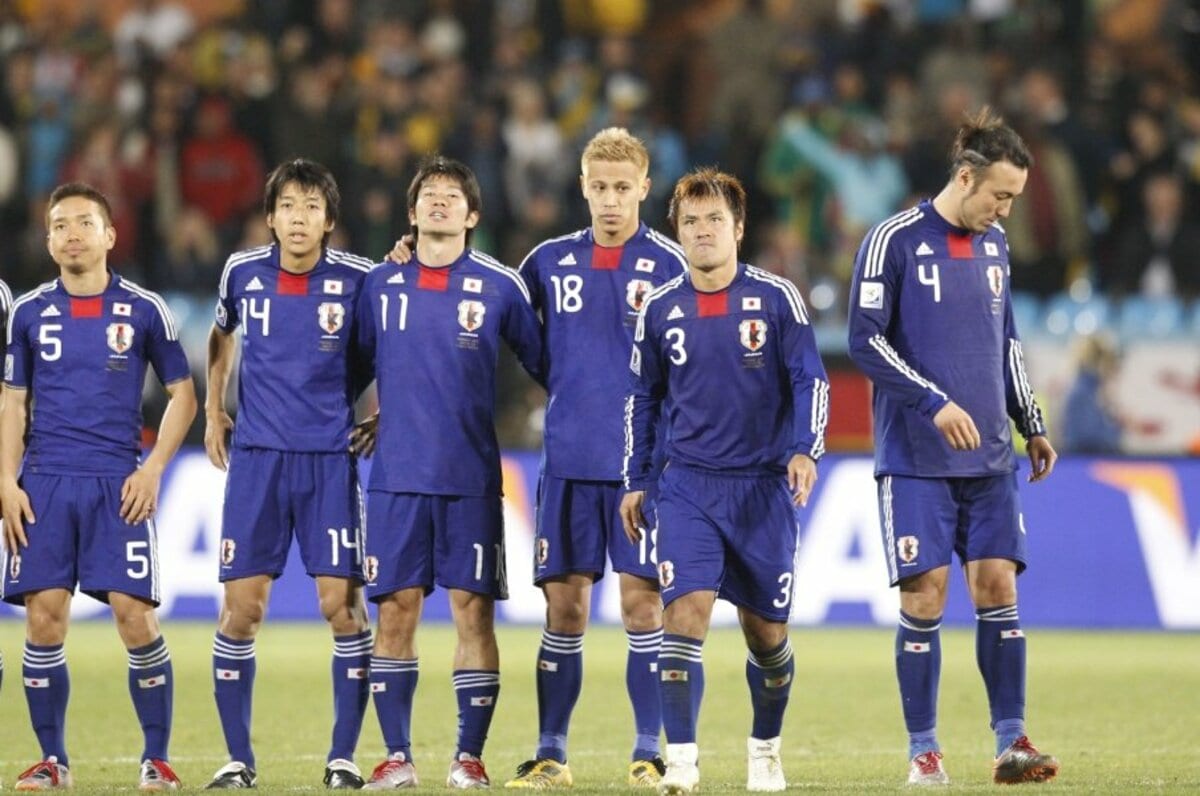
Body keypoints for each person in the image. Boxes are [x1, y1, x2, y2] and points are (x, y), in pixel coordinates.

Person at [846, 107, 1060, 786]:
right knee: (926, 596)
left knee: (997, 586)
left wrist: (1032, 421)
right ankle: (925, 750)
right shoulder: (894, 240)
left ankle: (1012, 741)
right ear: (966, 178)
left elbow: (1006, 341)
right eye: (1000, 195)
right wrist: (934, 403)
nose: (1006, 211)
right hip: (916, 458)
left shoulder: (995, 248)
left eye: (1014, 200)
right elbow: (864, 340)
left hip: (991, 456)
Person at [620, 168, 829, 795]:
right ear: (677, 232)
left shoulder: (776, 299)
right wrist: (636, 479)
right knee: (684, 615)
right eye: (690, 221)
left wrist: (805, 450)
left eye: (714, 220)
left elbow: (810, 380)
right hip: (687, 487)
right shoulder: (660, 309)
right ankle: (680, 764)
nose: (702, 231)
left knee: (767, 637)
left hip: (762, 487)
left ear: (738, 229)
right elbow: (642, 398)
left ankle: (764, 750)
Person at [503, 127, 687, 789]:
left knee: (644, 608)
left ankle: (648, 749)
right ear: (583, 187)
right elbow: (510, 323)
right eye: (600, 188)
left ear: (644, 188)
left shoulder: (670, 263)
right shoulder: (546, 263)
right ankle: (551, 751)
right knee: (566, 611)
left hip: (642, 473)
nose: (611, 201)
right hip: (568, 464)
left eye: (623, 188)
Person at [1, 182, 197, 790]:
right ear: (48, 239)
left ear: (110, 235)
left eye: (84, 223)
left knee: (135, 618)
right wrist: (6, 480)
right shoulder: (29, 312)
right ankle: (52, 760)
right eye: (59, 225)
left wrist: (155, 466)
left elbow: (184, 396)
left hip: (119, 482)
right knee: (44, 620)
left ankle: (157, 759)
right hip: (46, 482)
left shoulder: (143, 308)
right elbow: (11, 402)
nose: (71, 234)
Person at [355, 156, 544, 790]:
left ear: (473, 215)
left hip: (469, 478)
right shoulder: (379, 286)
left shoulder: (500, 285)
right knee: (395, 614)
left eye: (452, 195)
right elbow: (350, 366)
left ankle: (469, 756)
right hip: (397, 478)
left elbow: (546, 366)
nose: (439, 201)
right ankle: (396, 757)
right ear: (411, 214)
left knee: (473, 615)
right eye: (428, 195)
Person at [203, 159, 376, 790]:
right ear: (270, 215)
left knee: (342, 607)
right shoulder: (242, 272)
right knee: (241, 610)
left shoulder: (361, 280)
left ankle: (343, 758)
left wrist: (382, 411)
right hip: (256, 460)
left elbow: (399, 346)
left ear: (329, 220)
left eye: (311, 207)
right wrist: (213, 409)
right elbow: (221, 338)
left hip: (330, 460)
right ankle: (237, 760)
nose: (297, 218)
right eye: (287, 206)